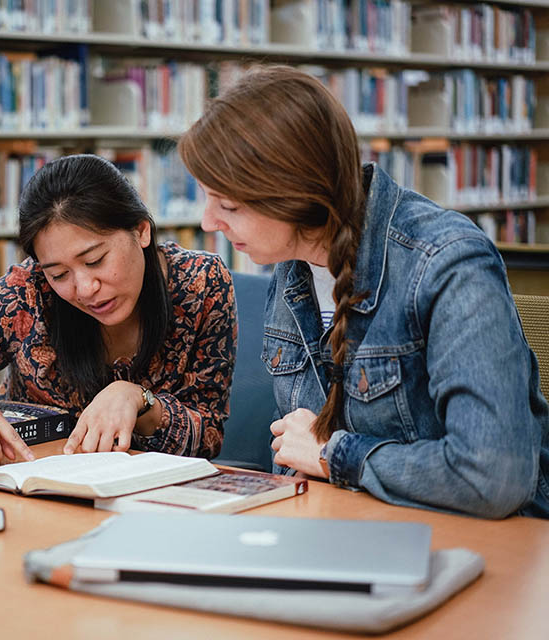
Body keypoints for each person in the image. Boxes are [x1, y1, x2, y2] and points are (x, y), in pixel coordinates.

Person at [178, 64, 549, 519]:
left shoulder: (447, 262)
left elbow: (493, 475)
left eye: (228, 204)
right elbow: (300, 447)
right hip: (347, 528)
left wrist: (336, 455)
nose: (207, 223)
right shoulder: (293, 265)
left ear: (293, 196)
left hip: (478, 543)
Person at [0, 154, 236, 467]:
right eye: (59, 274)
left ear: (141, 231)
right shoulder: (25, 292)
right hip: (38, 483)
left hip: (153, 501)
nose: (84, 289)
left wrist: (139, 401)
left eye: (95, 260)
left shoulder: (201, 283)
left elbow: (208, 438)